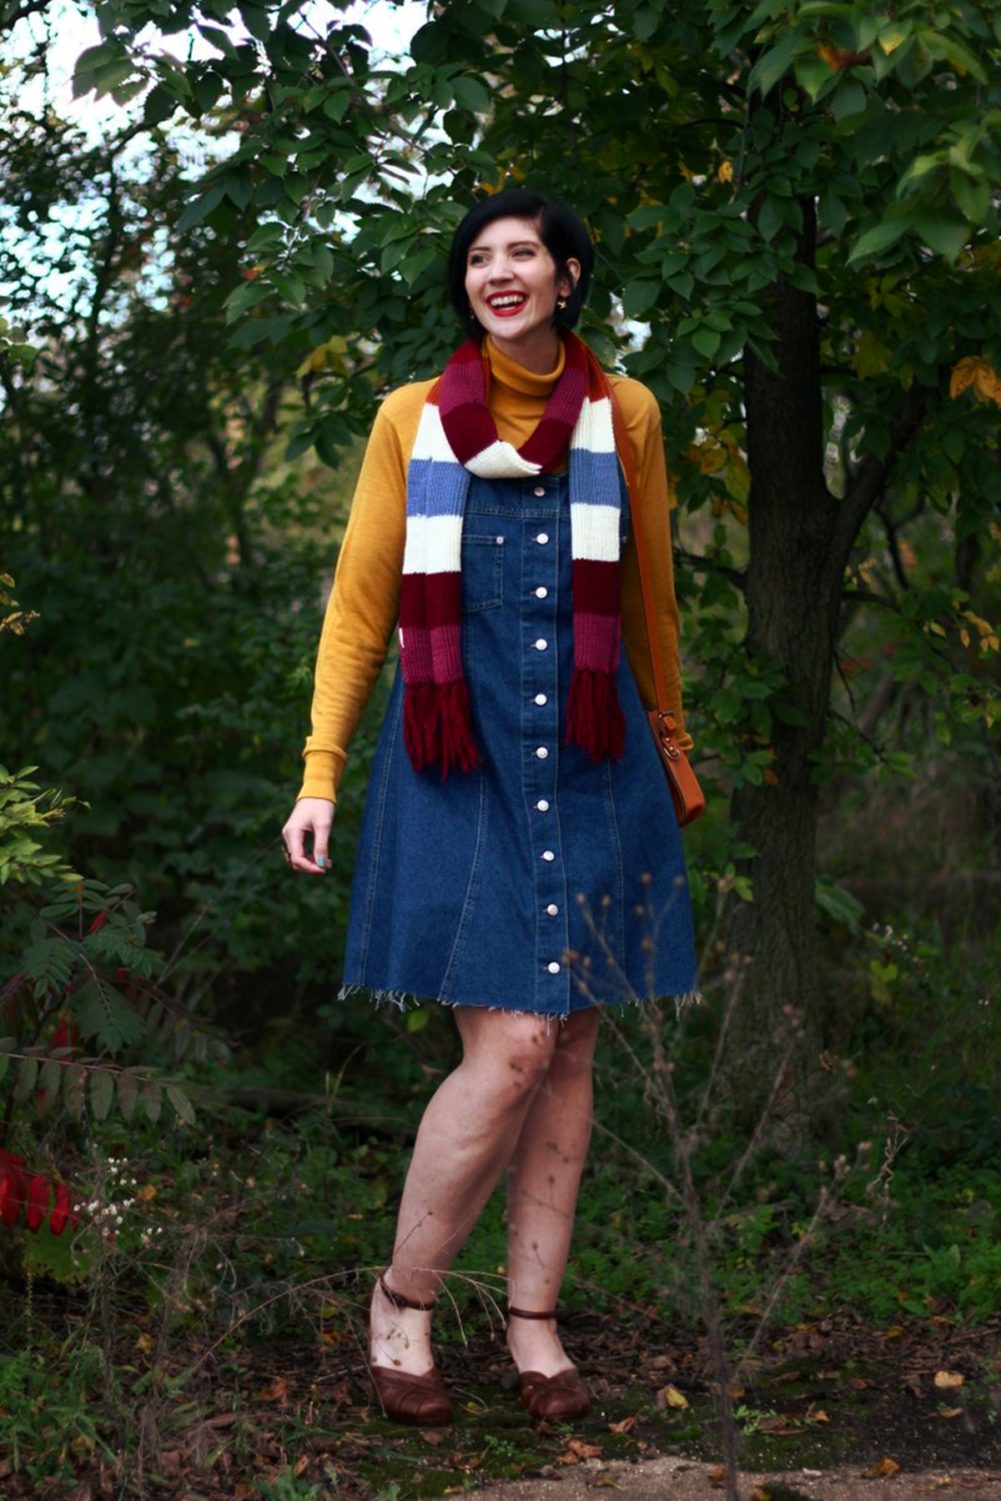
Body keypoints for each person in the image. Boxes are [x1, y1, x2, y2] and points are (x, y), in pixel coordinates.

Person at [282, 188, 698, 1427]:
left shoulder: (625, 414)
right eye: (479, 258)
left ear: (567, 276)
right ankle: (402, 1299)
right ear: (464, 285)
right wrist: (318, 771)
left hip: (587, 747)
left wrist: (670, 747)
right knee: (511, 1041)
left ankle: (532, 1322)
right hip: (455, 757)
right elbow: (360, 609)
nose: (499, 272)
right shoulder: (409, 420)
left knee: (569, 1041)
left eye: (524, 253)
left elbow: (648, 599)